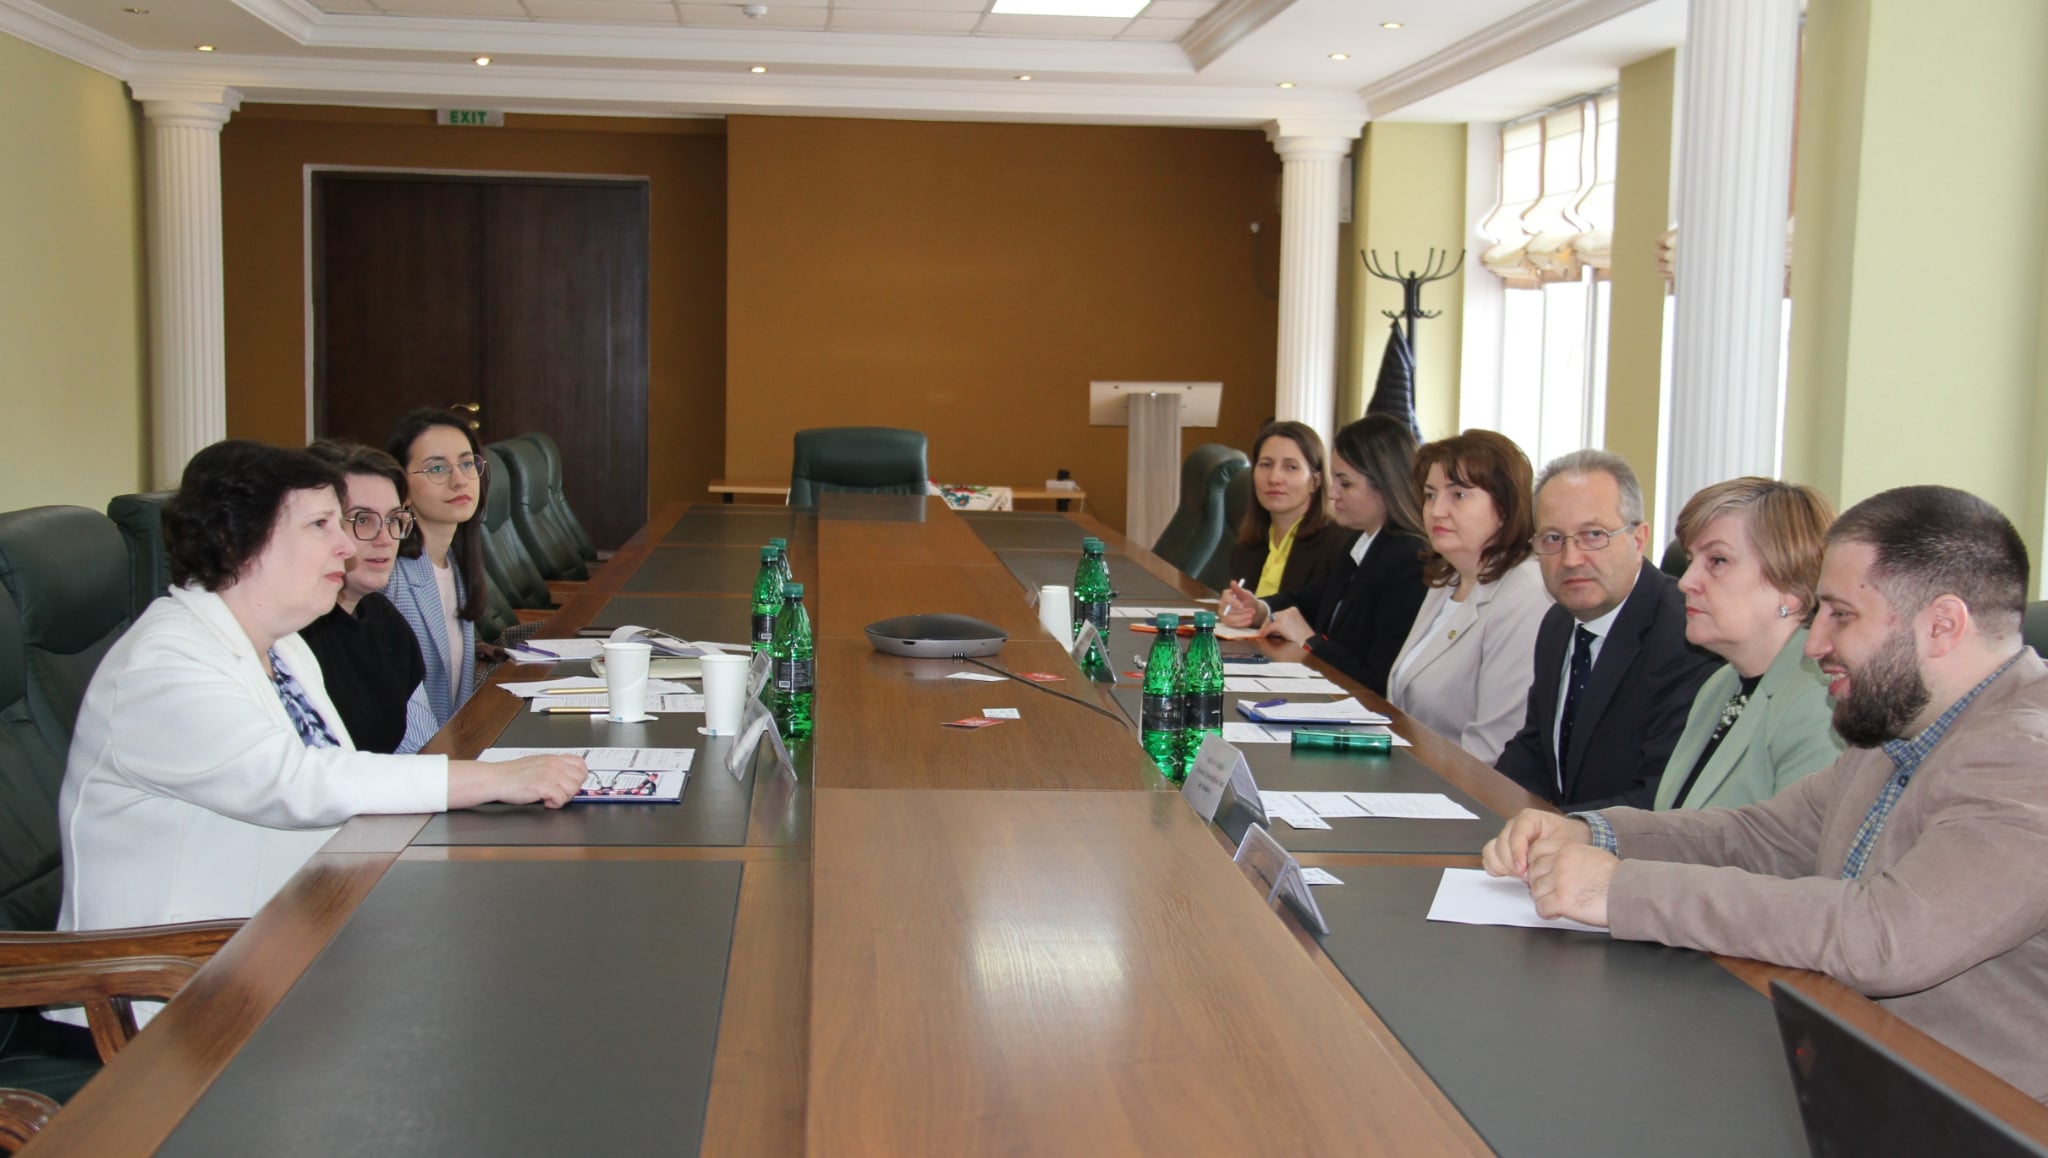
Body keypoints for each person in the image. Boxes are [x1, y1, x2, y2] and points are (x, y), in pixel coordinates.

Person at [1483, 485, 2048, 1102]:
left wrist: (1618, 889)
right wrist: (1595, 832)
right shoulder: (1901, 727)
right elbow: (1761, 836)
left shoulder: (2026, 756)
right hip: (1851, 1067)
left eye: (1841, 615)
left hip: (1976, 1113)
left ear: (1942, 625)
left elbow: (1883, 936)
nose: (1815, 643)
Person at [58, 440, 586, 940]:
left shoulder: (282, 646)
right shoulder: (163, 666)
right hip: (176, 972)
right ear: (236, 541)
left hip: (295, 921)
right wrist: (493, 778)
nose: (345, 545)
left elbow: (338, 771)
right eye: (319, 525)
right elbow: (298, 783)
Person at [1493, 451, 1720, 809]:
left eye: (1593, 535)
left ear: (1638, 539)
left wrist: (1547, 828)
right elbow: (1534, 750)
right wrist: (1479, 808)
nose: (1571, 559)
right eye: (1552, 538)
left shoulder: (1685, 639)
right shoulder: (1558, 622)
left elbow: (1660, 798)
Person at [1654, 477, 1843, 810]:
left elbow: (1797, 842)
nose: (1685, 582)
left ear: (1791, 588)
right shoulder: (1718, 685)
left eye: (1717, 561)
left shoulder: (1821, 702)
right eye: (1690, 560)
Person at [1218, 415, 1427, 695]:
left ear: (1386, 486)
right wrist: (1257, 609)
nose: (1332, 494)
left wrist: (1309, 640)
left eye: (1345, 484)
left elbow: (1379, 681)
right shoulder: (1362, 541)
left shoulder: (1408, 560)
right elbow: (1308, 600)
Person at [1384, 430, 1553, 763]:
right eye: (1430, 495)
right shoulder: (1448, 577)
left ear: (1505, 505)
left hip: (1466, 787)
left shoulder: (1526, 594)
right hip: (1412, 770)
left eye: (1458, 495)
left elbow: (1494, 750)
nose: (1436, 510)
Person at [299, 440, 438, 754]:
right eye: (362, 520)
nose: (385, 539)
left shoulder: (386, 620)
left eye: (393, 520)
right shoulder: (292, 632)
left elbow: (420, 746)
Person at [385, 409, 490, 730]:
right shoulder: (389, 576)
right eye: (437, 468)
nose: (459, 480)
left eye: (467, 464)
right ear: (402, 487)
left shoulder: (455, 563)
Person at [1225, 421, 1350, 599]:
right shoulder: (1246, 548)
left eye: (1291, 467)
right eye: (1265, 465)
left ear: (1315, 481)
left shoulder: (1337, 546)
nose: (1274, 478)